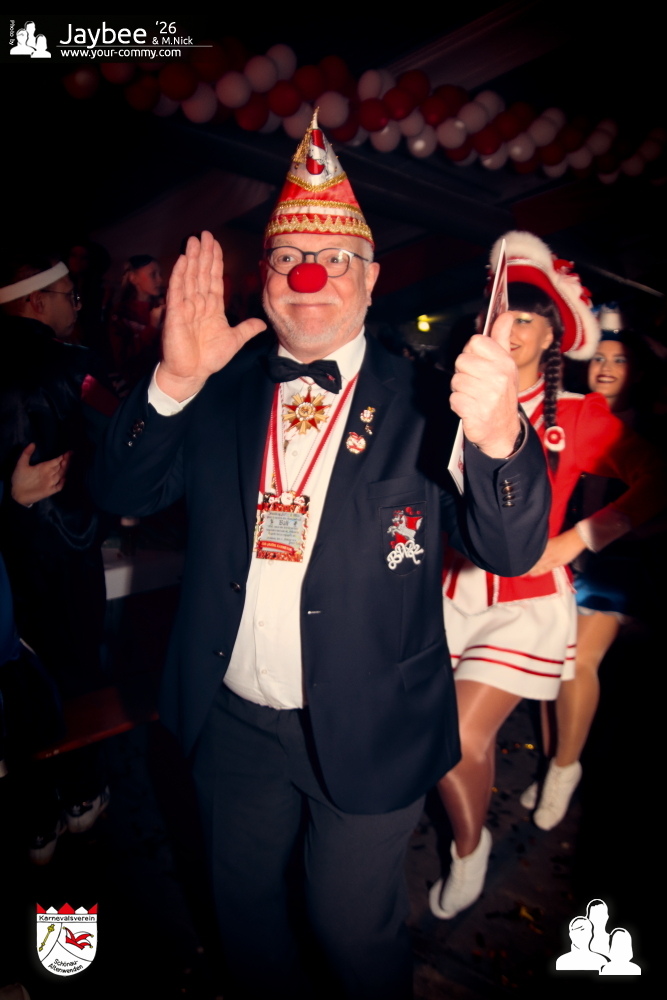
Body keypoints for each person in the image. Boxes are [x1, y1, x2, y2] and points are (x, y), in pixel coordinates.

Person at [91, 113, 550, 1000]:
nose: (311, 275)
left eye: (336, 258)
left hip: (371, 722)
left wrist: (499, 437)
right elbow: (118, 489)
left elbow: (508, 545)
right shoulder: (216, 385)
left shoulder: (432, 400)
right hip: (231, 719)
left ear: (372, 277)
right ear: (263, 279)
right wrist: (174, 382)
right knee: (244, 918)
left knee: (349, 931)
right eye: (289, 256)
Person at [433, 232, 667, 920]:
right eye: (500, 314)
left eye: (525, 319)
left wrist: (572, 540)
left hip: (527, 604)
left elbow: (657, 480)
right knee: (438, 740)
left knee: (457, 738)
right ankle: (474, 832)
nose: (508, 330)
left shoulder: (581, 416)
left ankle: (472, 846)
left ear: (550, 337)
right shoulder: (446, 399)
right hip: (445, 596)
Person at [521, 305, 667, 828]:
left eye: (620, 360)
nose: (606, 367)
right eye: (599, 358)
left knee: (576, 662)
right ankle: (552, 762)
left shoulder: (654, 431)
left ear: (640, 373)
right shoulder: (565, 415)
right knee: (546, 667)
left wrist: (606, 536)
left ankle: (565, 768)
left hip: (617, 569)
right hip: (559, 564)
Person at [0, 252, 118, 861]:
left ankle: (34, 817)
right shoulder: (77, 367)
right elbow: (122, 435)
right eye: (70, 294)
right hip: (66, 547)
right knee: (77, 672)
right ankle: (80, 794)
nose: (77, 304)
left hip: (4, 558)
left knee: (14, 684)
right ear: (34, 301)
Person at [108, 254, 164, 385]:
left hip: (163, 381)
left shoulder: (163, 308)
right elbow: (122, 358)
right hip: (136, 384)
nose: (160, 280)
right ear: (133, 278)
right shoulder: (121, 313)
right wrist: (152, 327)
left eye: (160, 274)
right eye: (153, 274)